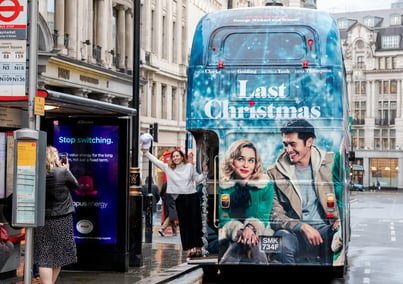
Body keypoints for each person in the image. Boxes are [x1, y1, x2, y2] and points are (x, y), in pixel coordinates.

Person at [266, 119, 341, 264]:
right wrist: (302, 226)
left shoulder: (331, 163)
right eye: (285, 145)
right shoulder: (274, 173)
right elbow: (275, 215)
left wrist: (340, 219)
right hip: (293, 232)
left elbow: (342, 196)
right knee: (281, 243)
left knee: (338, 238)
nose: (288, 150)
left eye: (293, 144)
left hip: (325, 229)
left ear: (309, 142)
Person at [141, 145, 207, 258]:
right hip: (179, 198)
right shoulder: (168, 167)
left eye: (177, 156)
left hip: (192, 196)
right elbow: (156, 161)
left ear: (182, 157)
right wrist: (146, 153)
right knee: (184, 224)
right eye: (173, 156)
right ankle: (190, 248)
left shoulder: (190, 167)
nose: (175, 158)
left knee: (195, 223)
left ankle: (198, 247)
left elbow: (198, 179)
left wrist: (205, 172)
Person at [218, 139, 274, 264]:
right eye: (240, 159)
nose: (246, 165)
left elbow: (262, 217)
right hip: (233, 233)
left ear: (255, 164)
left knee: (253, 242)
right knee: (241, 242)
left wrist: (250, 229)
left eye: (251, 160)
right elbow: (224, 217)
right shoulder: (225, 187)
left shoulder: (265, 185)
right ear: (232, 161)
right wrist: (240, 231)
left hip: (259, 231)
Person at [34, 146, 78, 284]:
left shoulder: (38, 173)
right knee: (59, 256)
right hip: (62, 218)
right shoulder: (63, 172)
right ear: (55, 157)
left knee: (45, 255)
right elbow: (75, 185)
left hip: (43, 218)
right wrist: (67, 168)